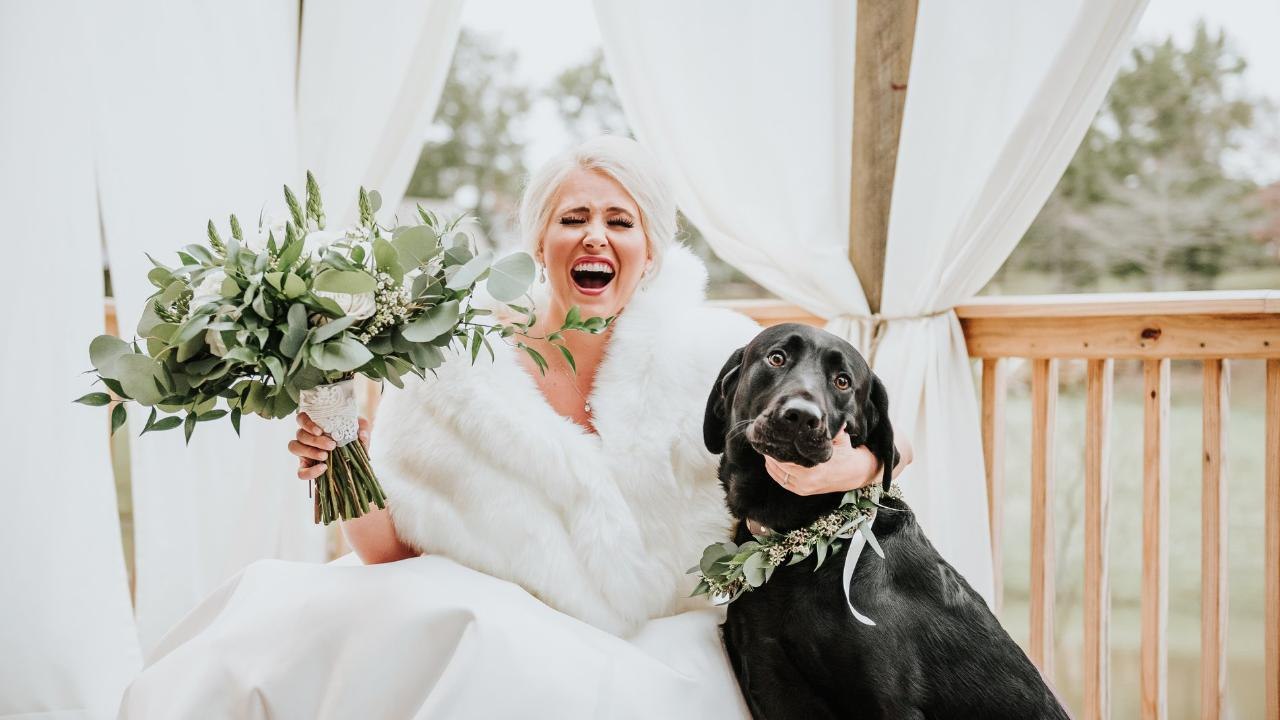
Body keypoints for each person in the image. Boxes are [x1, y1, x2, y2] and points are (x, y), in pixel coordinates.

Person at [118, 136, 912, 718]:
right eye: (573, 217)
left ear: (651, 251)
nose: (595, 236)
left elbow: (878, 443)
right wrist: (341, 458)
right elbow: (387, 551)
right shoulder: (447, 366)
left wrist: (836, 471)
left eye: (619, 221)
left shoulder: (721, 355)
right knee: (376, 631)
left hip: (665, 639)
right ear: (539, 241)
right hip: (493, 621)